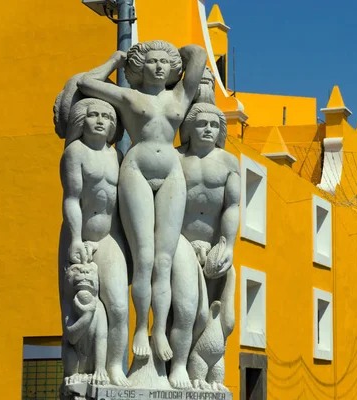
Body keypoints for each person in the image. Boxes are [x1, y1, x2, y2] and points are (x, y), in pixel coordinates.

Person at [77, 41, 207, 361]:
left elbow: (199, 56)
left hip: (171, 175)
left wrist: (178, 52)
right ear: (140, 67)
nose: (159, 67)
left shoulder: (181, 95)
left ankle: (158, 329)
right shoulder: (128, 96)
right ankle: (139, 327)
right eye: (152, 61)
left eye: (165, 62)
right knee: (145, 257)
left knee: (164, 259)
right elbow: (83, 83)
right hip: (135, 170)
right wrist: (114, 61)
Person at [58, 98, 130, 386]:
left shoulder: (116, 156)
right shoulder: (75, 153)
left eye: (106, 116)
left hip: (110, 240)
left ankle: (114, 366)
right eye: (93, 115)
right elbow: (72, 198)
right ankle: (78, 370)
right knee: (76, 309)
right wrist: (76, 239)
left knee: (119, 309)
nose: (100, 121)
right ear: (81, 120)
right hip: (80, 237)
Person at [171, 102, 239, 390]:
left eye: (214, 124)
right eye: (202, 124)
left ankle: (206, 372)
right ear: (189, 128)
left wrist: (227, 245)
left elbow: (232, 206)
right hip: (179, 245)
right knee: (184, 310)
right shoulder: (174, 159)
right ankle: (176, 368)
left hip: (214, 250)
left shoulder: (228, 162)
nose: (209, 129)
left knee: (217, 317)